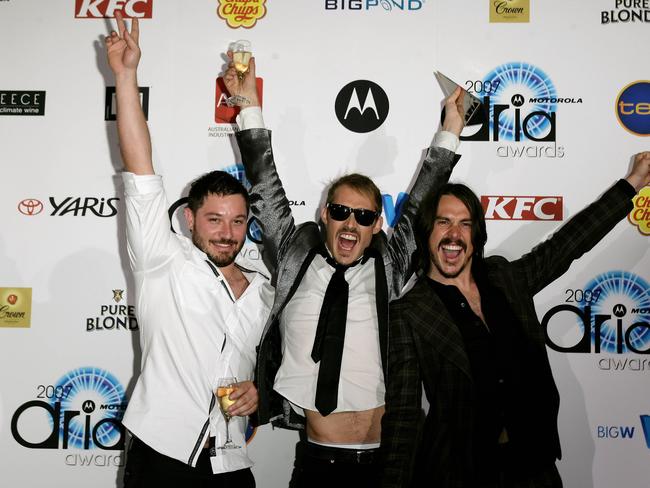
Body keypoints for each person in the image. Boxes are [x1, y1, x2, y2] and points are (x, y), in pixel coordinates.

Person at [223, 56, 465, 487]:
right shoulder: (295, 252)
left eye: (364, 217)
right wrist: (247, 105)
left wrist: (452, 127)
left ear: (377, 226)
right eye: (340, 212)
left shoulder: (388, 264)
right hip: (319, 466)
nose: (351, 224)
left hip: (388, 465)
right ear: (323, 215)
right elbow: (264, 182)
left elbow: (425, 195)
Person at [380, 152, 650, 488]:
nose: (454, 234)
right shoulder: (410, 312)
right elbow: (404, 416)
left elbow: (567, 245)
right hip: (463, 473)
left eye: (465, 224)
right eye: (443, 222)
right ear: (426, 232)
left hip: (535, 465)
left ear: (476, 235)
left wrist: (633, 183)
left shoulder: (503, 277)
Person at [105, 13, 273, 487]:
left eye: (238, 221)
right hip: (162, 457)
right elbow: (140, 168)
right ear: (189, 219)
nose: (227, 232)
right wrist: (125, 75)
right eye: (214, 219)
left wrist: (258, 392)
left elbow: (273, 361)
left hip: (231, 461)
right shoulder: (164, 259)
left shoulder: (264, 288)